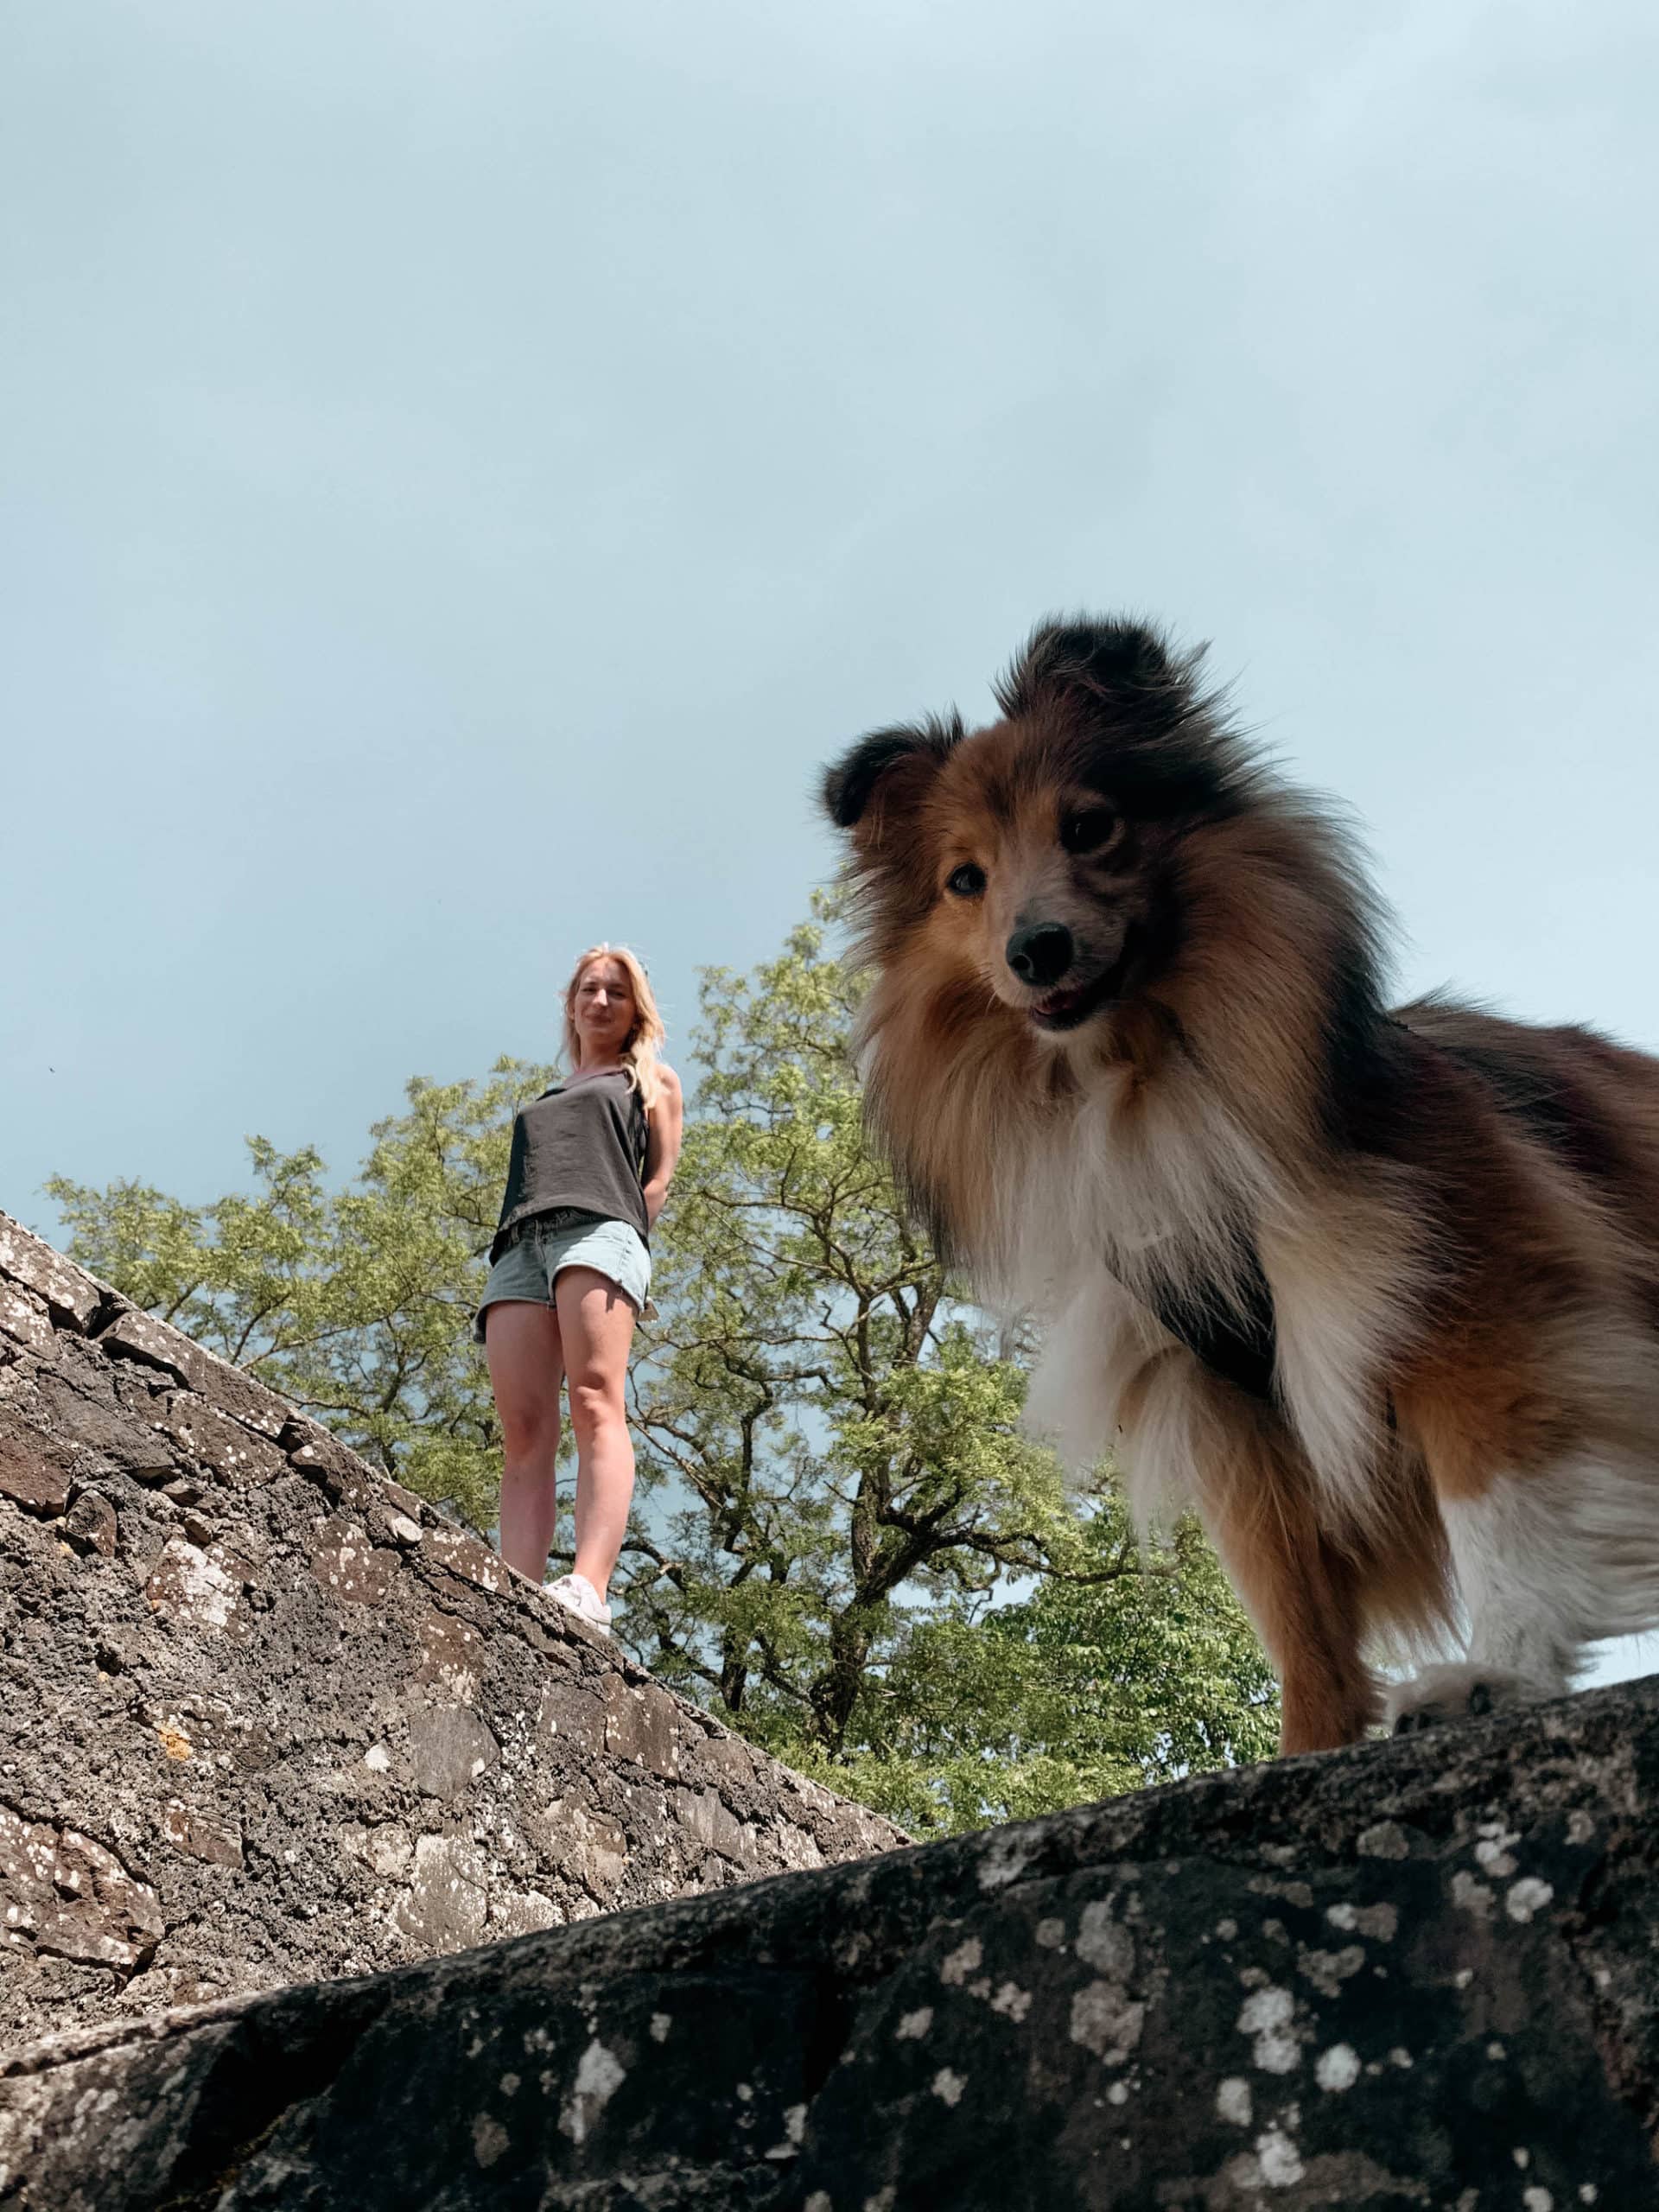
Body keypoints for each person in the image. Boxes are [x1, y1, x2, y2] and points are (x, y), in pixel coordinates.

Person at [474, 944, 683, 1631]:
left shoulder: (651, 1082)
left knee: (597, 1398)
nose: (600, 1001)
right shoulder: (548, 1096)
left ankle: (589, 1589)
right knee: (525, 1428)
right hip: (519, 1248)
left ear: (635, 1010)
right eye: (589, 990)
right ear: (571, 1004)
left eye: (616, 993)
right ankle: (513, 1594)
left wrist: (626, 1245)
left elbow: (656, 1183)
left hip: (600, 1234)